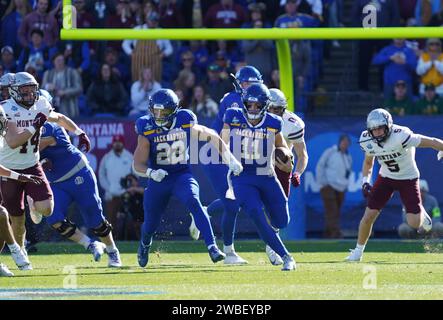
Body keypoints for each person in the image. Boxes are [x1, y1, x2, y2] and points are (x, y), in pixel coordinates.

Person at [132, 88, 243, 268]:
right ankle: (145, 244)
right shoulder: (146, 127)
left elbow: (212, 136)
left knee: (194, 201)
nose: (159, 115)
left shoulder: (185, 121)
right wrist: (151, 173)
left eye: (164, 111)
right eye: (156, 111)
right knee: (151, 222)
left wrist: (230, 159)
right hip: (159, 179)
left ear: (174, 110)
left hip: (181, 174)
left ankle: (212, 247)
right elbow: (137, 164)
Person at [0, 72, 91, 260]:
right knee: (16, 219)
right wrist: (36, 124)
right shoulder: (5, 109)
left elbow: (59, 118)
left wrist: (79, 132)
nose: (30, 95)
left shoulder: (39, 105)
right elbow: (13, 142)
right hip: (9, 167)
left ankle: (33, 203)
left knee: (47, 209)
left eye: (33, 90)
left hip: (32, 165)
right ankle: (21, 252)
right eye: (25, 91)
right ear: (15, 92)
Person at [346, 108, 443, 262]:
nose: (377, 133)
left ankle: (421, 215)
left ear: (388, 126)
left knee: (414, 223)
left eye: (380, 128)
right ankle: (358, 251)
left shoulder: (401, 135)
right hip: (386, 177)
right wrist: (365, 181)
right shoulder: (367, 139)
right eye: (374, 130)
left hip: (408, 178)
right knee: (368, 216)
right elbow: (368, 162)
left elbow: (430, 141)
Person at [39, 91, 122, 267]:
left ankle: (113, 251)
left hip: (78, 175)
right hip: (57, 183)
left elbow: (31, 148)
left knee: (95, 220)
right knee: (53, 218)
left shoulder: (50, 126)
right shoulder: (24, 125)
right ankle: (90, 244)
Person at [221, 83, 296, 271]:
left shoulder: (273, 122)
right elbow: (221, 143)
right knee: (255, 212)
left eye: (257, 105)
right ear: (244, 103)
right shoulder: (233, 116)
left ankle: (206, 210)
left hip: (267, 175)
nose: (253, 109)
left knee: (282, 221)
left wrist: (287, 156)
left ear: (265, 106)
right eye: (249, 104)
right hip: (242, 175)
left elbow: (281, 146)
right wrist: (230, 159)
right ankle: (286, 257)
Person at [316, 134, 352, 239]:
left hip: (341, 188)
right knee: (332, 211)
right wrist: (323, 182)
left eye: (347, 143)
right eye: (343, 142)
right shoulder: (330, 152)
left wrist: (346, 184)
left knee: (335, 211)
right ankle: (336, 233)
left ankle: (328, 234)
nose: (345, 145)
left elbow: (348, 172)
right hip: (328, 186)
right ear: (339, 142)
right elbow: (320, 165)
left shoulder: (348, 157)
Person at [98, 134, 133, 240]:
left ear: (123, 143)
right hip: (111, 194)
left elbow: (135, 175)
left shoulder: (129, 156)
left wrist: (130, 187)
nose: (117, 144)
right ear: (113, 143)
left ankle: (130, 241)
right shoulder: (107, 157)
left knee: (130, 219)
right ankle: (112, 241)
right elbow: (101, 175)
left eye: (119, 142)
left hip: (127, 193)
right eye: (115, 142)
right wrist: (109, 188)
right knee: (111, 219)